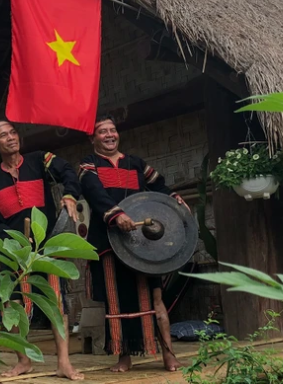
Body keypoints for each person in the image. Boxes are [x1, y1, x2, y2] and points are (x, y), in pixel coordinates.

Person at [78, 114, 188, 373]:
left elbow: (158, 185)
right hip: (109, 241)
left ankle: (168, 353)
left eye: (112, 130)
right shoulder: (88, 165)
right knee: (116, 299)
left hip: (142, 242)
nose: (109, 135)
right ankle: (124, 356)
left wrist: (174, 198)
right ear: (93, 138)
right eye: (102, 131)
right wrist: (116, 215)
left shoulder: (136, 164)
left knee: (155, 297)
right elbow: (95, 193)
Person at [0, 120, 84, 380]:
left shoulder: (40, 160)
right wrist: (12, 240)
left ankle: (63, 363)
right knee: (11, 305)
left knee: (56, 302)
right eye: (3, 135)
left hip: (46, 246)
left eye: (13, 132)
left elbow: (68, 171)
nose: (11, 138)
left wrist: (70, 194)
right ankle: (24, 360)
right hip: (13, 252)